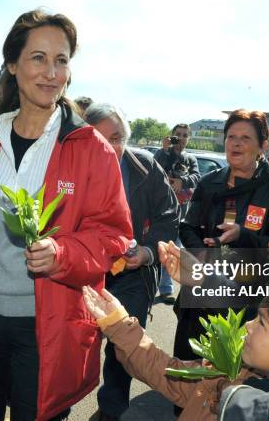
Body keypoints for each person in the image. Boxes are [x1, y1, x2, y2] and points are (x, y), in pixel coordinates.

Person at [0, 10, 133, 421]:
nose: (51, 72)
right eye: (38, 58)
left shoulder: (92, 149)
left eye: (62, 60)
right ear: (12, 65)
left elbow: (113, 234)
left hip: (51, 327)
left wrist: (63, 253)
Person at [82, 276, 269, 420]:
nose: (247, 326)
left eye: (261, 324)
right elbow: (172, 376)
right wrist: (119, 323)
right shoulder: (236, 369)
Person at [175, 109, 269, 366]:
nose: (236, 143)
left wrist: (243, 236)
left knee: (227, 379)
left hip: (245, 301)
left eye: (245, 138)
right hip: (199, 293)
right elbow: (187, 226)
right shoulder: (209, 182)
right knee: (186, 374)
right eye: (231, 137)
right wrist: (204, 256)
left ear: (263, 146)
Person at [84, 103, 179, 420]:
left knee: (122, 349)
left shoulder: (146, 167)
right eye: (98, 137)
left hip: (131, 276)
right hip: (81, 275)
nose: (107, 146)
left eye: (115, 137)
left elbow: (169, 217)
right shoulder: (69, 166)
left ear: (126, 139)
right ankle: (60, 403)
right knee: (74, 344)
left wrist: (148, 252)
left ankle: (112, 411)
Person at [153, 123, 201, 303]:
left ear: (189, 138)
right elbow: (155, 168)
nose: (180, 138)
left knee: (174, 249)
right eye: (177, 134)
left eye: (184, 135)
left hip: (181, 212)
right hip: (161, 210)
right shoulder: (164, 153)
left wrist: (182, 181)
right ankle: (156, 285)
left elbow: (197, 177)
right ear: (171, 136)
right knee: (158, 247)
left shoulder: (191, 159)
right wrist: (164, 150)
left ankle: (166, 288)